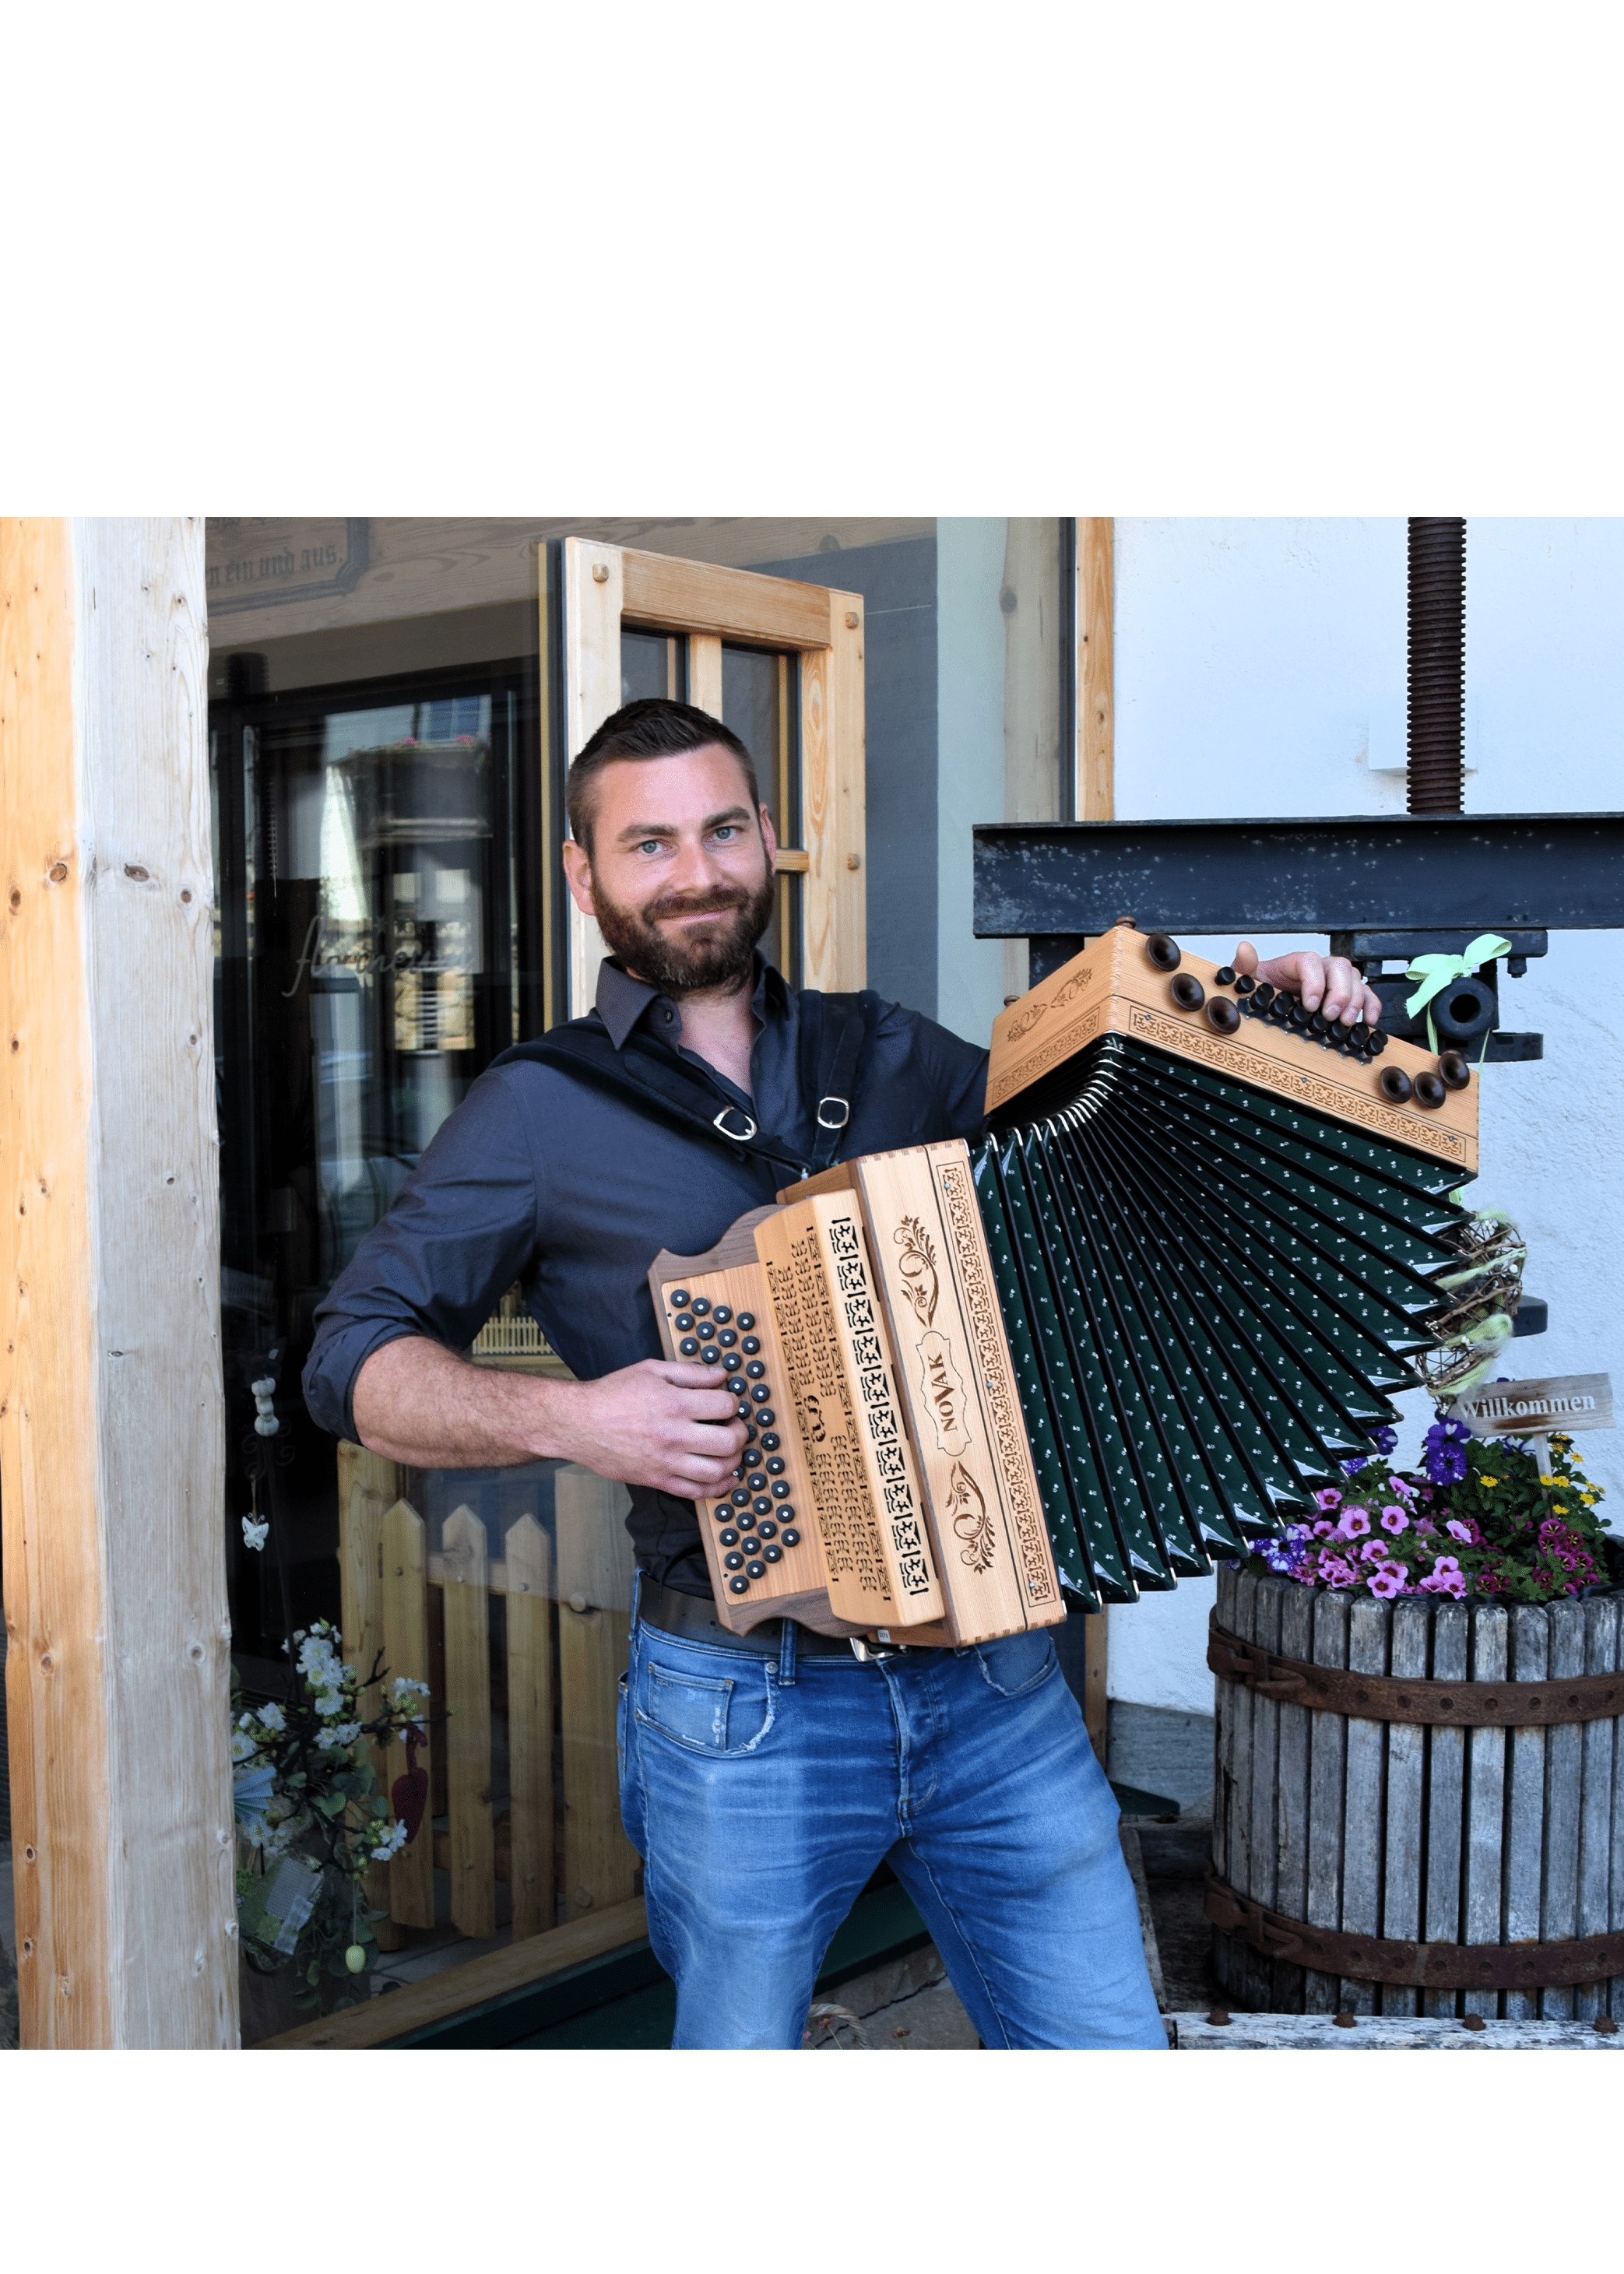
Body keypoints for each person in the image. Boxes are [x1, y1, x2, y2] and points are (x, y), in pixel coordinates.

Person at [304, 697, 1383, 2049]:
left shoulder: (889, 1053)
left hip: (994, 1687)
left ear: (768, 842)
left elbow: (1117, 1146)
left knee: (1106, 2050)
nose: (694, 871)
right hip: (746, 1712)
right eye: (648, 844)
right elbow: (350, 1363)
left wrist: (1270, 1021)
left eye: (722, 829)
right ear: (584, 876)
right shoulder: (535, 1112)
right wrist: (577, 1418)